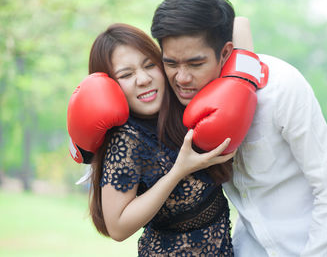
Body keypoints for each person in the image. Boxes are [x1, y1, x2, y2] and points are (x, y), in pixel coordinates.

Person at [151, 0, 327, 256]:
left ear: (226, 52)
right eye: (171, 63)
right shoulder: (175, 98)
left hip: (325, 244)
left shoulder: (280, 88)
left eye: (195, 63)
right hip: (254, 246)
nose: (181, 78)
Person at [68, 23, 237, 256]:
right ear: (110, 87)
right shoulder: (126, 139)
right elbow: (117, 228)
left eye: (150, 65)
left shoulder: (185, 105)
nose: (144, 79)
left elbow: (240, 26)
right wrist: (179, 171)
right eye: (126, 74)